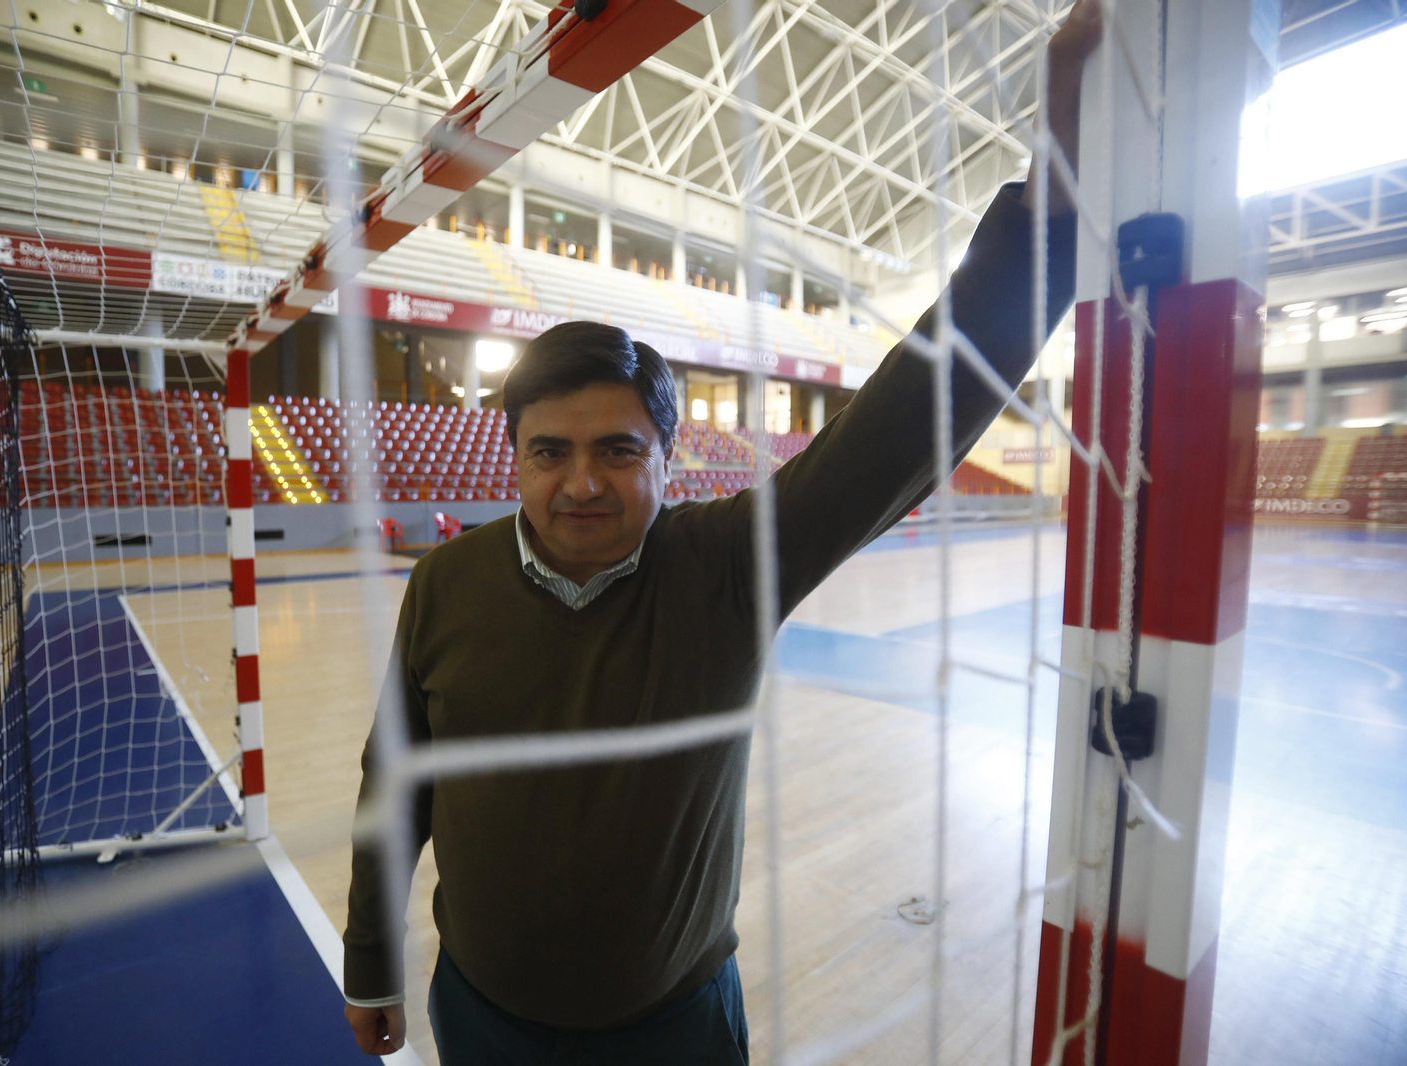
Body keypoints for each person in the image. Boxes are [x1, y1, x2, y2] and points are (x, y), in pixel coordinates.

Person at [344, 4, 1103, 1061]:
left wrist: (1052, 204)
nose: (579, 484)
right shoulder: (446, 583)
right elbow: (397, 781)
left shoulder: (727, 565)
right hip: (480, 1016)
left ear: (668, 456)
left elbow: (900, 426)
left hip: (677, 1027)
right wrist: (371, 957)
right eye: (547, 450)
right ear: (511, 456)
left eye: (616, 450)